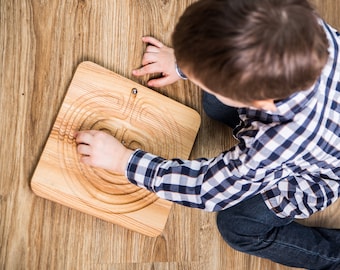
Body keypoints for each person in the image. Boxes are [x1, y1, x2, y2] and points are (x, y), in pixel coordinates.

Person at [75, 0, 340, 269]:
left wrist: (125, 162)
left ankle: (332, 257)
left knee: (236, 227)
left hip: (319, 173)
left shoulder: (271, 144)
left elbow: (207, 189)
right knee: (214, 103)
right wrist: (184, 62)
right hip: (321, 121)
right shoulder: (302, 26)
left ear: (254, 102)